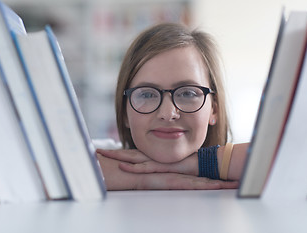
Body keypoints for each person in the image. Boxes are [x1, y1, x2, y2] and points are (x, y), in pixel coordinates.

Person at [96, 22, 249, 190]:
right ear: (125, 112)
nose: (168, 113)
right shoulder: (100, 157)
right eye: (147, 94)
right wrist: (141, 180)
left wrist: (204, 163)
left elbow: (282, 159)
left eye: (187, 93)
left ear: (214, 109)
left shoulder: (241, 169)